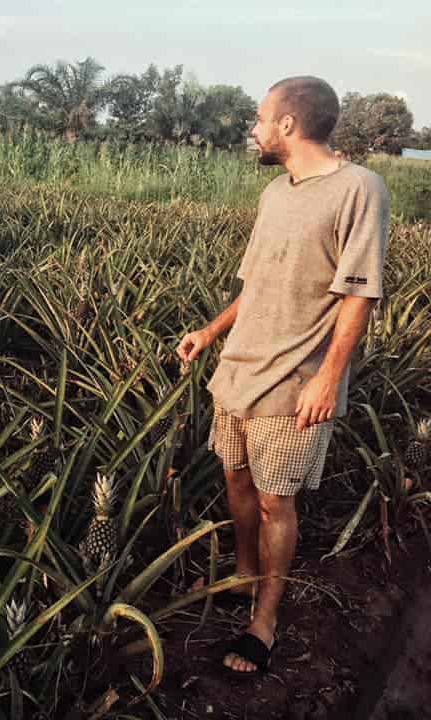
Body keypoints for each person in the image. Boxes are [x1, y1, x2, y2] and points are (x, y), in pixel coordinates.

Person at [177, 76, 390, 677]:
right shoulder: (276, 192)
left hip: (297, 378)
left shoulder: (359, 189)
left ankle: (263, 622)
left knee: (276, 501)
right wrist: (212, 332)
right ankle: (247, 576)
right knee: (237, 481)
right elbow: (256, 284)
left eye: (261, 117)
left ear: (289, 125)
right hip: (239, 368)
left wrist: (328, 377)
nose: (255, 127)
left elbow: (359, 295)